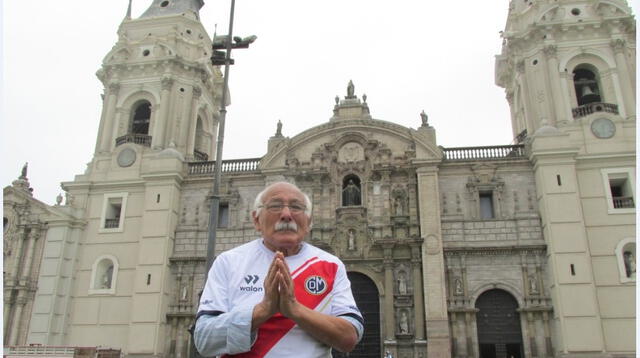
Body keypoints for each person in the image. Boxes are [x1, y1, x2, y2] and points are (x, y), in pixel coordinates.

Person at [195, 182, 364, 357]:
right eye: (275, 206)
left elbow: (349, 337)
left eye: (296, 207)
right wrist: (262, 311)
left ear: (309, 222)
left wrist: (294, 309)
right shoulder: (229, 262)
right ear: (256, 220)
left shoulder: (331, 265)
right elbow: (203, 339)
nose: (286, 214)